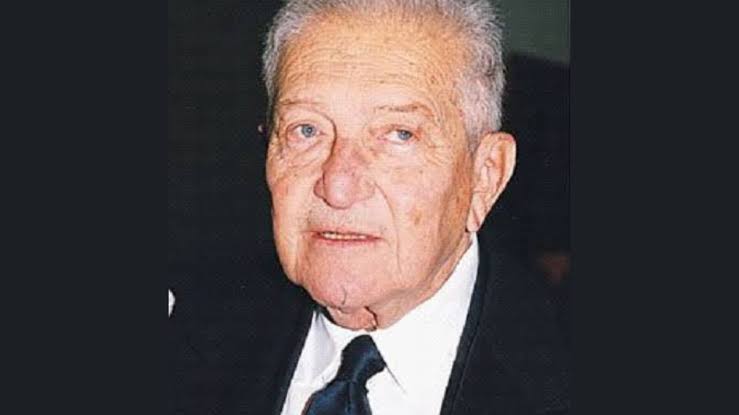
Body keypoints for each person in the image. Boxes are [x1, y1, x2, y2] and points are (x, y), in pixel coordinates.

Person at [171, 1, 571, 414]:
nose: (338, 187)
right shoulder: (186, 340)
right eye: (306, 130)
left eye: (399, 134)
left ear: (485, 175)